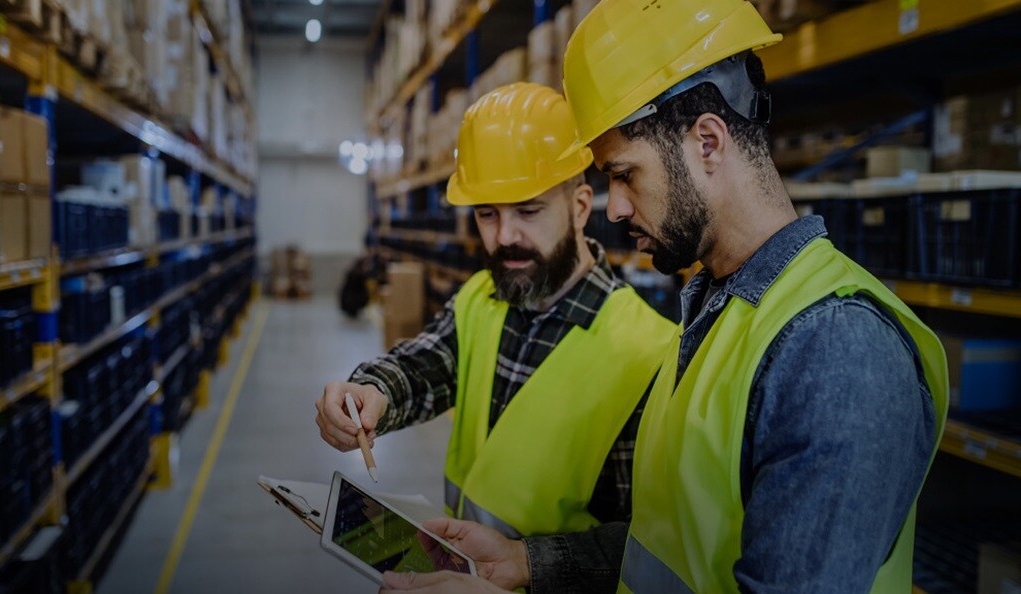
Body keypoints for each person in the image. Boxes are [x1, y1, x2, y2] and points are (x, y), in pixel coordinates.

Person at [379, 1, 950, 593]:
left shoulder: (835, 349)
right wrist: (526, 562)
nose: (616, 207)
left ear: (707, 140)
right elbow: (668, 541)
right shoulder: (716, 313)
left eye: (624, 174)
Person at [316, 82, 675, 542]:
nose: (504, 237)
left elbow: (637, 545)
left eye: (528, 211)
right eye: (487, 214)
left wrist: (531, 568)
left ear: (581, 207)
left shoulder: (647, 354)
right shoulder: (482, 297)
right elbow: (425, 365)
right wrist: (370, 392)